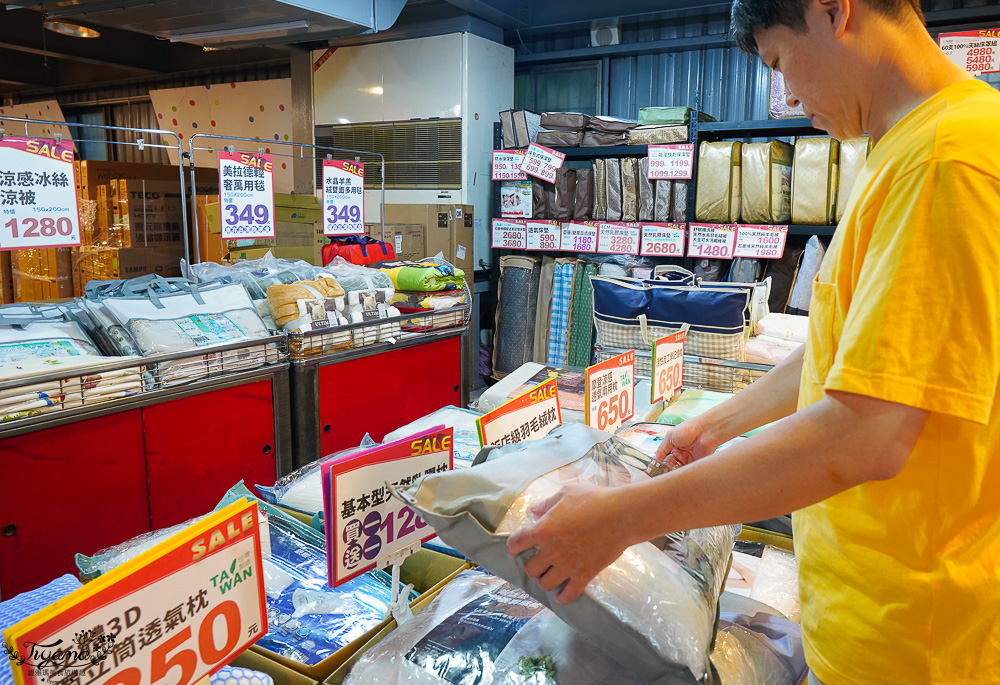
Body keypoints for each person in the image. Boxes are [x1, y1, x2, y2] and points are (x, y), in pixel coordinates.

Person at [506, 0, 1000, 682]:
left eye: (778, 61)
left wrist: (617, 519)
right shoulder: (908, 149)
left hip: (920, 645)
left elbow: (867, 433)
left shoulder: (948, 160)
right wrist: (717, 423)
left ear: (833, 10)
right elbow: (849, 357)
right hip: (881, 622)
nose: (789, 95)